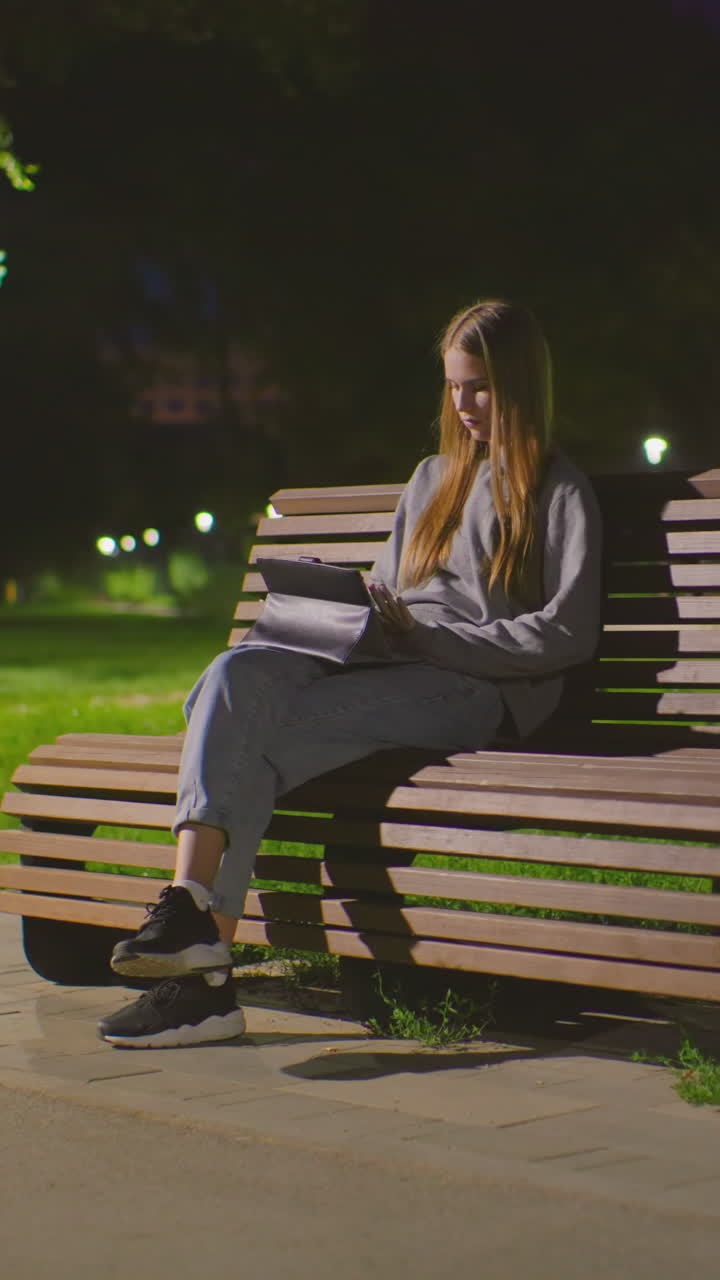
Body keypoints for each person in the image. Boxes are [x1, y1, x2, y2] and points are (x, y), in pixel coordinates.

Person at [97, 298, 602, 1048]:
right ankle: (189, 915)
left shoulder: (559, 491)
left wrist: (433, 638)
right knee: (235, 679)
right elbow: (390, 591)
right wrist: (359, 615)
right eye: (454, 386)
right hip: (392, 669)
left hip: (477, 692)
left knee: (242, 739)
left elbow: (566, 633)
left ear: (523, 383)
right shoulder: (431, 479)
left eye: (481, 386)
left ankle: (198, 982)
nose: (463, 404)